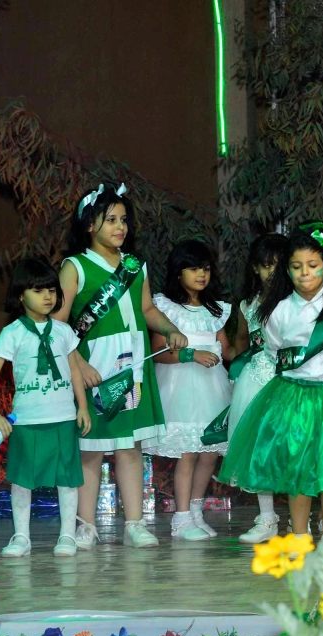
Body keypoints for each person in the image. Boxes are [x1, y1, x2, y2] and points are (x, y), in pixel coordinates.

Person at [220, 223, 323, 557]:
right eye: (296, 267)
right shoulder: (279, 311)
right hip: (293, 394)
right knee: (296, 463)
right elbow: (276, 350)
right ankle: (299, 531)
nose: (305, 273)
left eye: (312, 265)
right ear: (287, 271)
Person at [55, 183, 188, 549]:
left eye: (124, 220)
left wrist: (170, 328)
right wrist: (77, 363)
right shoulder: (75, 267)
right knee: (92, 450)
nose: (120, 227)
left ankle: (134, 523)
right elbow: (60, 324)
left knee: (130, 448)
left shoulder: (135, 266)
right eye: (110, 219)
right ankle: (85, 524)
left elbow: (146, 310)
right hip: (94, 368)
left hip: (132, 368)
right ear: (88, 225)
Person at [0, 258, 91, 557]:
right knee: (21, 480)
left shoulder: (64, 331)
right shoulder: (13, 333)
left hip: (63, 418)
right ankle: (21, 537)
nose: (47, 296)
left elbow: (74, 372)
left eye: (52, 290)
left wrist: (82, 407)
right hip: (28, 420)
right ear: (21, 295)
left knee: (68, 479)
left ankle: (67, 535)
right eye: (38, 290)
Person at [147, 240, 233, 540]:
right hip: (180, 386)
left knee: (209, 452)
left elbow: (226, 348)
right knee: (187, 453)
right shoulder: (165, 308)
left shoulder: (215, 309)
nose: (201, 274)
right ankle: (181, 518)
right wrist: (191, 355)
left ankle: (196, 512)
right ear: (178, 271)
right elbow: (157, 352)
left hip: (213, 386)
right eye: (194, 268)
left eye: (206, 268)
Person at [231, 235, 291, 544]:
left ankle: (301, 518)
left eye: (278, 266)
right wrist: (237, 370)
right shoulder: (247, 303)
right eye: (265, 266)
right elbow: (243, 339)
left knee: (293, 448)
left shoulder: (296, 302)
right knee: (258, 450)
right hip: (255, 382)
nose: (272, 272)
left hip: (288, 383)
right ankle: (267, 518)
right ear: (255, 268)